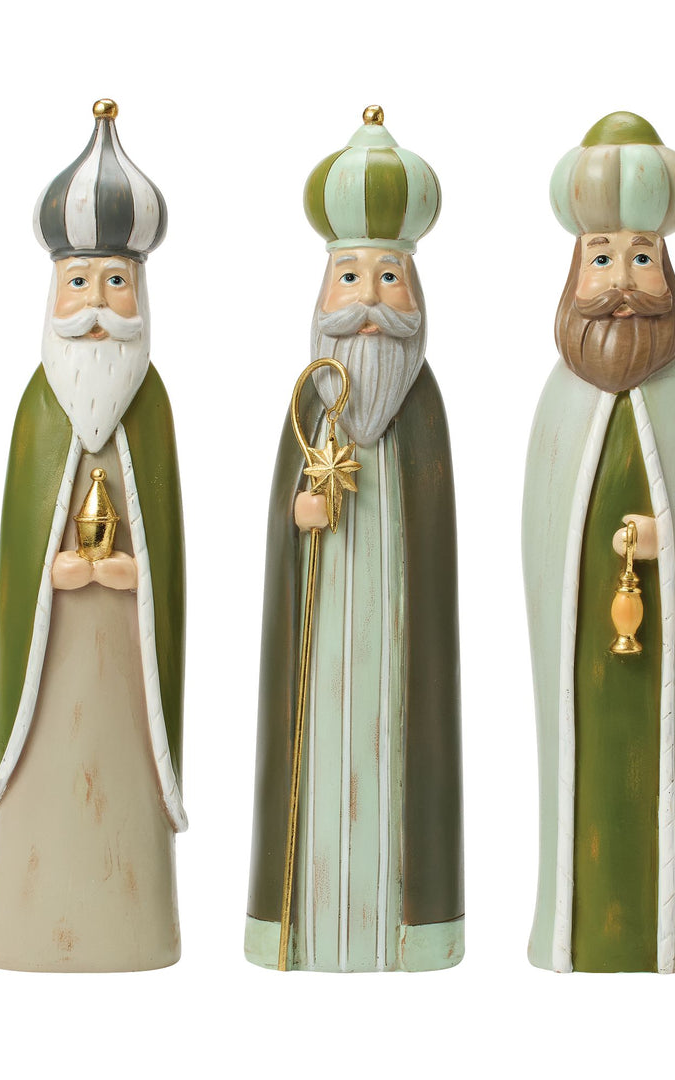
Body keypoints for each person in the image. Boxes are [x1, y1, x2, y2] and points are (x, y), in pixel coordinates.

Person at [246, 106, 464, 972]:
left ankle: (408, 930)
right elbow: (281, 516)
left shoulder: (422, 407)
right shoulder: (312, 397)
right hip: (324, 632)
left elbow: (436, 538)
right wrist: (296, 518)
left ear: (415, 290)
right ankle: (302, 924)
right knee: (313, 765)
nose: (369, 301)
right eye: (349, 277)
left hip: (398, 647)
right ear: (323, 291)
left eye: (388, 277)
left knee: (399, 766)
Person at [0, 100, 187, 972]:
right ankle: (34, 922)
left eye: (115, 283)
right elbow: (19, 542)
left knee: (121, 780)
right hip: (57, 652)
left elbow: (167, 544)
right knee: (51, 778)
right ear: (53, 293)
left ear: (140, 293)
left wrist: (140, 578)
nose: (98, 306)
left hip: (124, 660)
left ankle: (133, 923)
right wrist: (54, 573)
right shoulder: (40, 407)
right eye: (80, 284)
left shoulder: (151, 405)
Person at [523, 112, 675, 973]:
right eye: (601, 258)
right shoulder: (560, 399)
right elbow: (540, 535)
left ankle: (674, 930)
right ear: (576, 267)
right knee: (572, 765)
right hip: (583, 648)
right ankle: (564, 925)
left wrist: (662, 536)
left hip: (659, 651)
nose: (621, 284)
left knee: (665, 770)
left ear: (667, 268)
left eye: (642, 259)